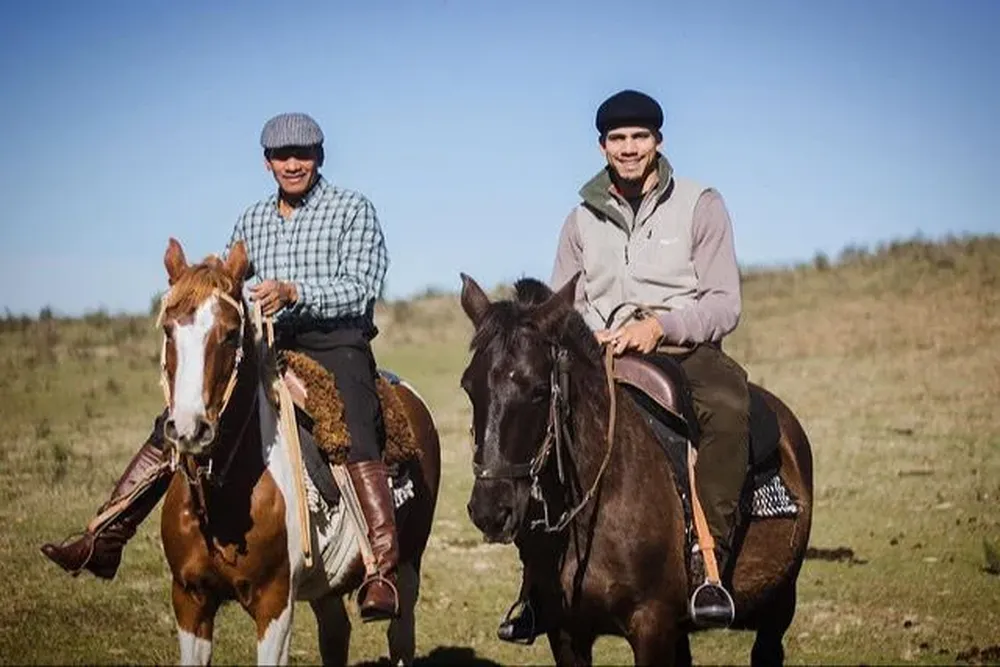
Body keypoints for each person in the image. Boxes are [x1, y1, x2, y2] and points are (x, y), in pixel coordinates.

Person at [41, 112, 402, 622]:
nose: (293, 164)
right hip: (258, 342)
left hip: (333, 341)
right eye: (282, 156)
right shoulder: (251, 221)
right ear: (267, 162)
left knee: (355, 421)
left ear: (320, 157)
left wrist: (295, 292)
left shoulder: (352, 210)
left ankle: (380, 568)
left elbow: (362, 286)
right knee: (185, 412)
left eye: (303, 154)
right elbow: (229, 279)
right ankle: (106, 536)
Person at [497, 89, 749, 642]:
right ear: (602, 146)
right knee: (538, 424)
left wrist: (660, 327)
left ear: (658, 142)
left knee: (730, 410)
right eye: (618, 139)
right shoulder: (580, 219)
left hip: (686, 352)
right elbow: (565, 306)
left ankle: (711, 567)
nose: (629, 148)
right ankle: (537, 586)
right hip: (600, 356)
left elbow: (724, 302)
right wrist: (589, 337)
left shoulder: (700, 202)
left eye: (640, 137)